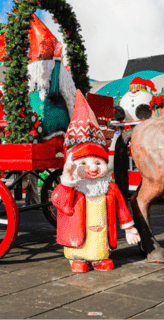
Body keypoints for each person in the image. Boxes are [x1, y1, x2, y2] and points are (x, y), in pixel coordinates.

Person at [52, 90, 141, 272]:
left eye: (98, 162)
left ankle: (99, 259)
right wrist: (68, 178)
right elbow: (59, 201)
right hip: (78, 236)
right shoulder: (73, 186)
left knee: (100, 247)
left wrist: (129, 227)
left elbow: (121, 208)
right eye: (83, 163)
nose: (92, 168)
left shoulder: (109, 187)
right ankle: (78, 259)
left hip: (101, 236)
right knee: (80, 253)